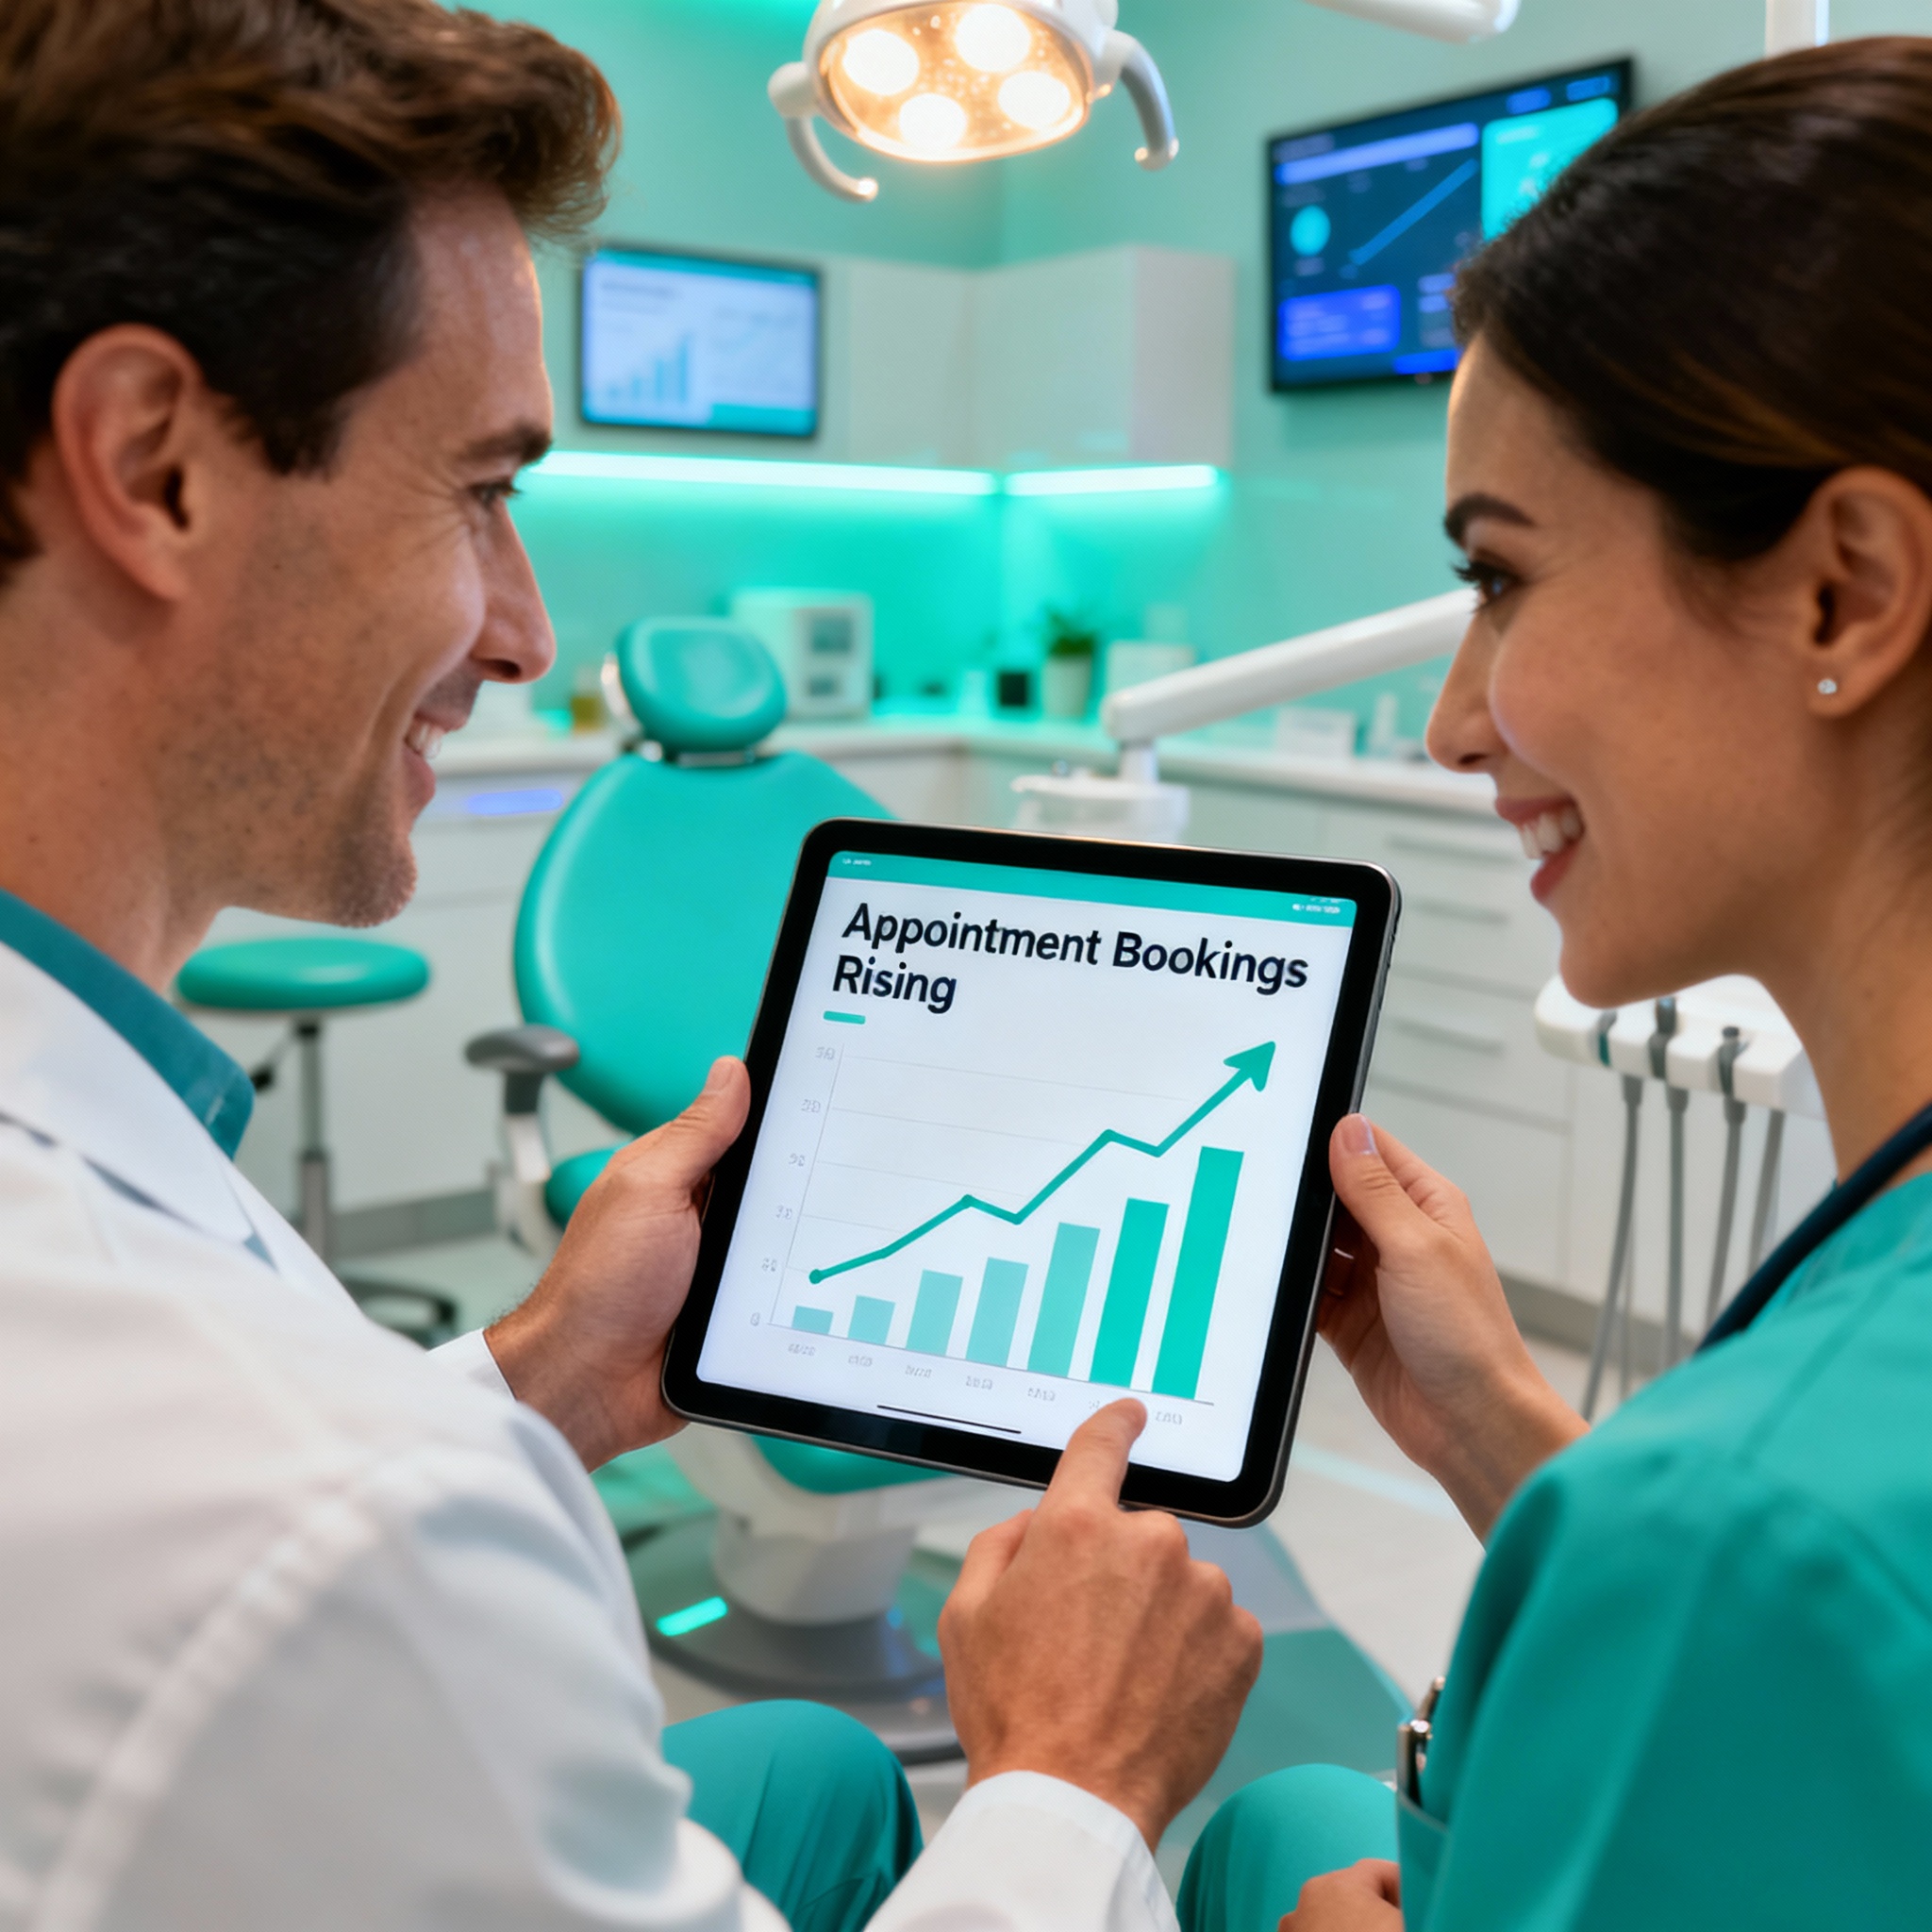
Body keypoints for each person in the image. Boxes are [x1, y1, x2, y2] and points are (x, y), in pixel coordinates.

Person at [0, 2, 1262, 1925]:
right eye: (480, 491)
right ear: (154, 464)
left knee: (812, 1775)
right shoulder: (302, 1522)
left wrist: (536, 1382)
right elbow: (297, 1542)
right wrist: (1073, 1780)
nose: (525, 631)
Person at [1174, 36, 1932, 1932]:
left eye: (1500, 580)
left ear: (1843, 592)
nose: (1452, 723)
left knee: (1263, 1842)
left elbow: (1769, 1582)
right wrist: (1510, 1443)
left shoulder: (1748, 1526)